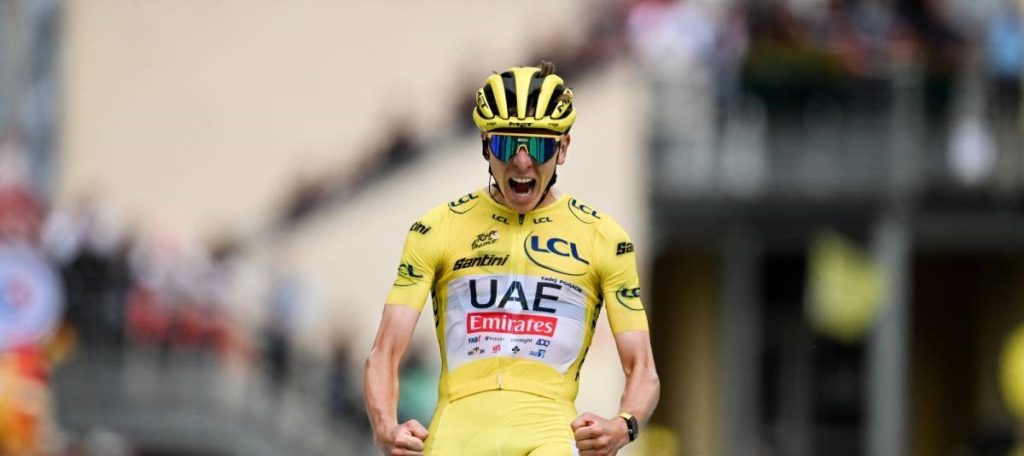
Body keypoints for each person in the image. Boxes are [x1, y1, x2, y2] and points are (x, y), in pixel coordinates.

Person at [364, 61, 660, 455]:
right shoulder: (437, 227)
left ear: (564, 147)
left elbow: (643, 369)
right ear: (486, 144)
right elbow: (384, 353)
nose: (523, 163)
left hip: (548, 433)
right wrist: (385, 426)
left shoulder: (603, 238)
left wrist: (624, 425)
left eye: (539, 146)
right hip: (457, 431)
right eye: (507, 146)